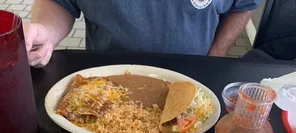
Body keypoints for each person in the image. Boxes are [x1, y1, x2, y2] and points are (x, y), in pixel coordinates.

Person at [24, 0, 261, 67]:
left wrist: (217, 53)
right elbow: (59, 2)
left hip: (195, 78)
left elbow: (245, 4)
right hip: (107, 82)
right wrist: (46, 31)